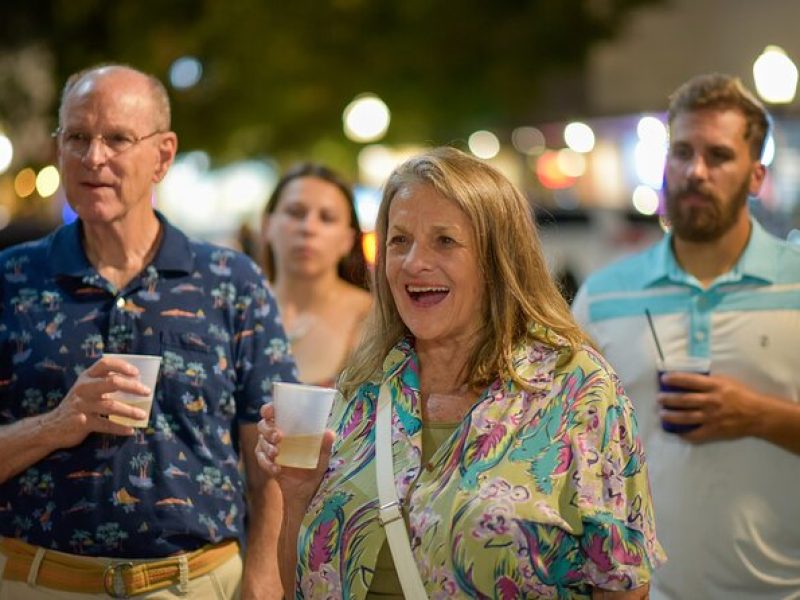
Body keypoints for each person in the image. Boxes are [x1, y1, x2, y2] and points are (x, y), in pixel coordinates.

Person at [255, 147, 665, 598]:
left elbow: (621, 586)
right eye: (399, 241)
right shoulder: (363, 387)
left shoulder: (578, 390)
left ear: (497, 260)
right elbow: (306, 582)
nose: (413, 263)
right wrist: (297, 498)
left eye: (444, 241)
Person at [0, 64, 297, 599]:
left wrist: (264, 570)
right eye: (77, 137)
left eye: (117, 138)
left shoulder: (230, 281)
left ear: (163, 155)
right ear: (57, 147)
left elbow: (269, 448)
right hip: (37, 582)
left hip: (199, 583)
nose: (94, 158)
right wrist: (56, 424)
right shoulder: (12, 278)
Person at [572, 73, 800, 599]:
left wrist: (758, 415)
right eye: (682, 152)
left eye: (718, 156)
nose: (695, 171)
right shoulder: (604, 297)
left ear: (756, 175)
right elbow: (571, 448)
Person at [261, 163, 371, 386]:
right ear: (267, 226)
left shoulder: (373, 318)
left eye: (327, 217)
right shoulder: (239, 311)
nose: (308, 227)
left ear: (348, 240)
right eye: (295, 212)